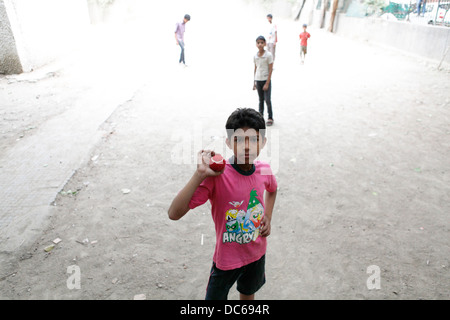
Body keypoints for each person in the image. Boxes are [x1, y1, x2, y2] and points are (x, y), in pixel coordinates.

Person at [168, 108, 278, 300]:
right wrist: (199, 174)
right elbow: (174, 213)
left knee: (248, 292)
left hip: (256, 253)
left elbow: (272, 189)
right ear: (228, 143)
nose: (246, 146)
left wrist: (267, 216)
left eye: (253, 139)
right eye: (238, 139)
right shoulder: (218, 176)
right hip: (226, 261)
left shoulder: (264, 170)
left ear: (263, 142)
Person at [253, 36, 274, 126]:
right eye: (258, 42)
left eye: (262, 42)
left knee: (267, 100)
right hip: (258, 79)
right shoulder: (255, 56)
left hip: (266, 80)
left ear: (265, 43)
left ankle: (270, 117)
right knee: (260, 100)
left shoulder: (268, 55)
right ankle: (260, 117)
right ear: (256, 44)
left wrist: (267, 83)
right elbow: (255, 68)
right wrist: (254, 82)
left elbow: (270, 69)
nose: (260, 44)